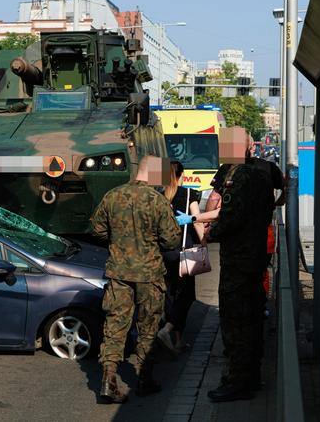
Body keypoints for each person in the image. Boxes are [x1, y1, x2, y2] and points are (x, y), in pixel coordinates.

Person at [91, 155, 181, 404]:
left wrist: (119, 240)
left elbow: (97, 229)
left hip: (119, 273)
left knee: (115, 327)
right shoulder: (157, 200)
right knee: (148, 328)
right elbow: (172, 240)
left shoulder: (113, 195)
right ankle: (144, 379)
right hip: (149, 275)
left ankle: (108, 382)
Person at [204, 160, 274, 403]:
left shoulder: (237, 177)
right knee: (252, 319)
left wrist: (209, 233)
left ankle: (237, 381)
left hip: (238, 263)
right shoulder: (261, 179)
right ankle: (250, 377)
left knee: (235, 322)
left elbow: (230, 218)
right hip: (254, 260)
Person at [158, 161, 206, 354]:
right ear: (181, 175)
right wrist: (204, 242)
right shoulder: (188, 194)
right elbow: (197, 221)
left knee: (169, 295)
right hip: (183, 252)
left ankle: (178, 340)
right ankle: (168, 329)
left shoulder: (158, 195)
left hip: (162, 252)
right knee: (186, 295)